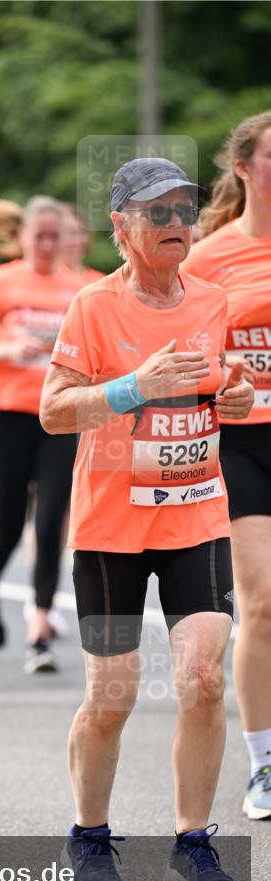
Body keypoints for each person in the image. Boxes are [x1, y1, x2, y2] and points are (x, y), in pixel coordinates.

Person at [40, 158, 254, 881]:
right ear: (120, 225)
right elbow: (52, 409)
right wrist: (135, 387)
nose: (174, 225)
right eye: (156, 213)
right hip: (109, 533)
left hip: (195, 514)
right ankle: (89, 834)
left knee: (200, 677)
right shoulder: (91, 308)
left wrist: (236, 392)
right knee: (113, 694)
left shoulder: (210, 298)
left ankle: (192, 842)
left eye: (184, 211)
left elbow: (222, 383)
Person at [182, 110, 271, 821]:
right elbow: (177, 349)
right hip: (241, 442)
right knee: (261, 602)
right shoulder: (207, 257)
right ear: (243, 167)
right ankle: (263, 764)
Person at [0, 197, 84, 674]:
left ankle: (39, 630)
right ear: (22, 237)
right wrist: (9, 348)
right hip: (6, 416)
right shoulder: (0, 282)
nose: (49, 245)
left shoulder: (78, 287)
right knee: (9, 527)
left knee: (51, 524)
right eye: (40, 236)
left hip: (57, 417)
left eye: (57, 236)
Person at [62, 205, 106, 284]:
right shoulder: (41, 278)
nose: (69, 241)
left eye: (74, 233)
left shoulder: (100, 281)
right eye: (63, 233)